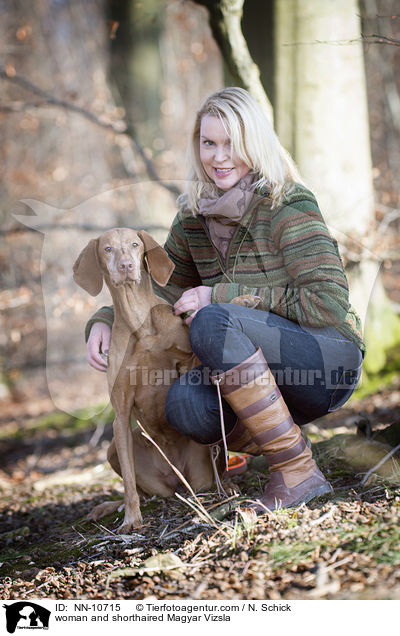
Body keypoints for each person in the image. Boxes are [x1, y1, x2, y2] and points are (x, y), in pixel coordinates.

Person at [86, 87, 365, 511]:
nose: (219, 157)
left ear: (255, 142)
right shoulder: (193, 219)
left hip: (327, 359)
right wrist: (105, 318)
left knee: (213, 320)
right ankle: (280, 446)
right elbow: (160, 290)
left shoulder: (288, 203)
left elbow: (327, 302)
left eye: (232, 143)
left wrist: (221, 295)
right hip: (262, 373)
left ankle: (298, 471)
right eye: (208, 143)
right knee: (185, 405)